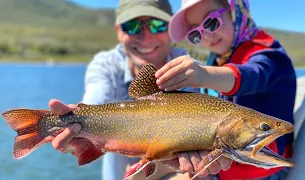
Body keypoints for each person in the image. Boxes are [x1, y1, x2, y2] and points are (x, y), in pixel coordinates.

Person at [48, 0, 232, 179]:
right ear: (119, 32)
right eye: (132, 26)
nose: (145, 36)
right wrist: (77, 134)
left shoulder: (188, 69)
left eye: (157, 25)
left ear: (170, 30)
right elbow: (93, 105)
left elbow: (191, 143)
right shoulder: (106, 65)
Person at [155, 0, 297, 179]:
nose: (206, 36)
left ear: (235, 11)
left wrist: (204, 74)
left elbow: (253, 75)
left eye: (211, 22)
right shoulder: (218, 58)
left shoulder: (270, 55)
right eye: (196, 34)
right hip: (224, 165)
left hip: (260, 172)